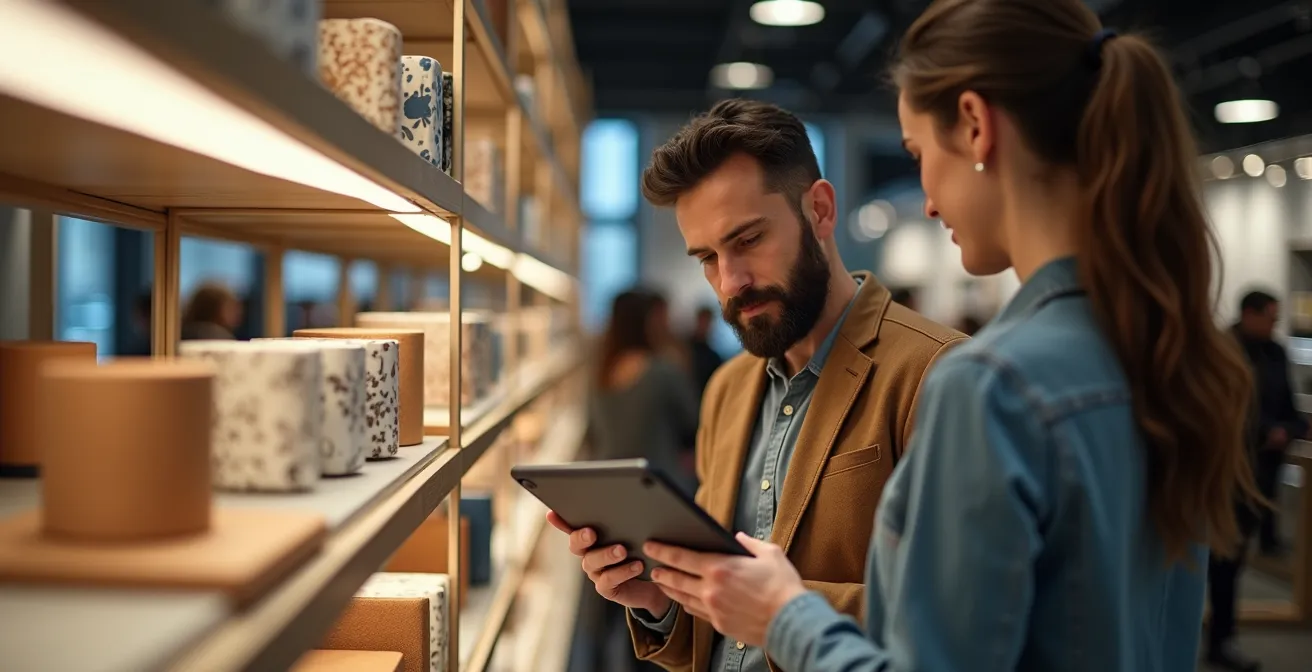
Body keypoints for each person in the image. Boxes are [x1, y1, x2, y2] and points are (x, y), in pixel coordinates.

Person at [629, 2, 1261, 671]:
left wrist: (784, 614)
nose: (927, 200)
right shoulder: (1165, 354)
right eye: (706, 258)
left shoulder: (982, 383)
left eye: (917, 153)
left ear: (975, 127)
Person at [548, 98, 966, 672]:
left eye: (747, 241)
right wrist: (659, 598)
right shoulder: (726, 390)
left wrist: (782, 610)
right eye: (707, 259)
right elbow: (719, 620)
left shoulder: (941, 375)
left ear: (819, 210)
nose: (731, 282)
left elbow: (962, 625)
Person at [586, 289, 701, 672]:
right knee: (660, 599)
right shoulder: (663, 369)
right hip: (658, 502)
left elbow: (594, 434)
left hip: (605, 503)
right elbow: (692, 424)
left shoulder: (601, 372)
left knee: (613, 596)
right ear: (651, 319)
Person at [1233, 290, 1305, 557]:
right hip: (1238, 456)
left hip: (1270, 454)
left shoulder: (1275, 352)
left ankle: (1268, 542)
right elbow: (1232, 407)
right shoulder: (1226, 349)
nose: (1274, 326)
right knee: (1231, 545)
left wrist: (1294, 427)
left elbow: (1287, 399)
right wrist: (1265, 429)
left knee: (1266, 502)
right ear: (1249, 314)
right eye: (1270, 318)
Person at [688, 305, 725, 399]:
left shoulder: (713, 356)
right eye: (703, 321)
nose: (705, 326)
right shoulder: (686, 349)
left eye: (707, 322)